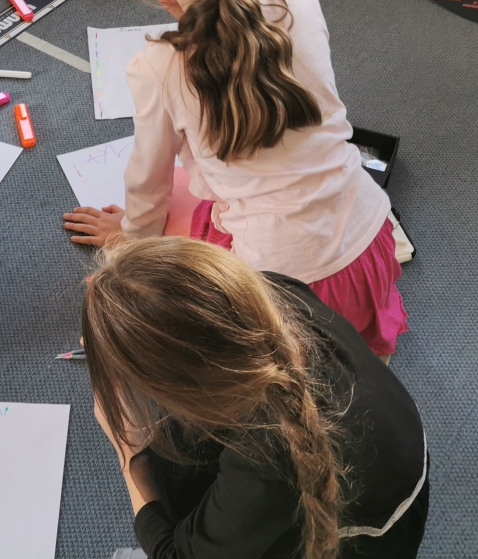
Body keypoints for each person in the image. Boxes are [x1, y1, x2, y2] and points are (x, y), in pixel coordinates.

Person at [63, 0, 406, 358]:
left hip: (284, 288)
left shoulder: (158, 66)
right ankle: (370, 356)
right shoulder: (297, 0)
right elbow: (249, 53)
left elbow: (148, 184)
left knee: (178, 204)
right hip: (370, 240)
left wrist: (129, 237)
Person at [85, 238, 428, 559]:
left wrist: (129, 454)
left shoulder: (267, 458)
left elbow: (176, 554)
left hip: (362, 538)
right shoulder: (274, 290)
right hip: (380, 453)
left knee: (164, 468)